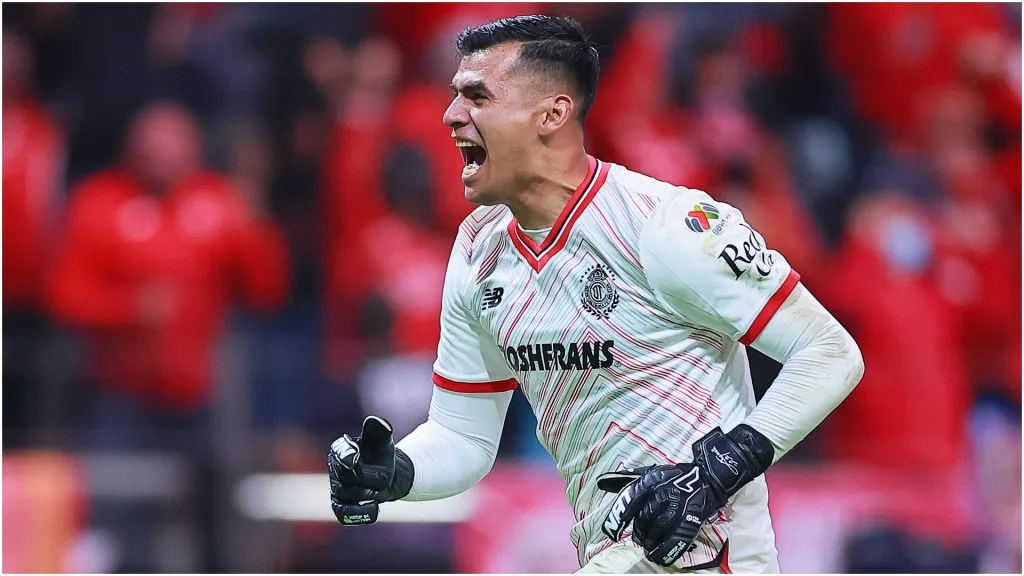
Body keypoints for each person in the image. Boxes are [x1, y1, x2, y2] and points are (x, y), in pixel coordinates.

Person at [327, 15, 863, 574]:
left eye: (476, 97)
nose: (451, 115)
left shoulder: (666, 224)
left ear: (552, 114)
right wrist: (397, 472)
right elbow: (462, 434)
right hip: (606, 556)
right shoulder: (477, 250)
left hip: (707, 560)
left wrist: (716, 471)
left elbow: (829, 353)